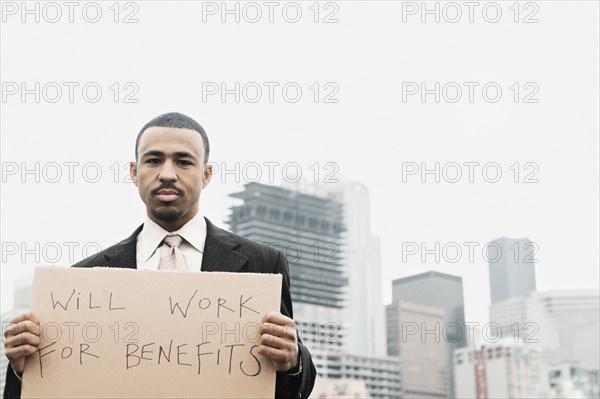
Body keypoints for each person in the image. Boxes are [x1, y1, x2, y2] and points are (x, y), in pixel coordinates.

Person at [3, 112, 316, 399]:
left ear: (206, 174)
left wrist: (292, 362)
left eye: (183, 162)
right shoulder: (83, 278)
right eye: (153, 161)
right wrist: (22, 368)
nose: (167, 173)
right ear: (134, 171)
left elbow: (291, 389)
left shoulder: (263, 265)